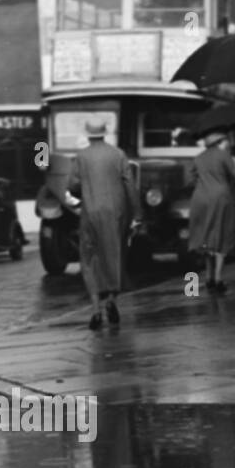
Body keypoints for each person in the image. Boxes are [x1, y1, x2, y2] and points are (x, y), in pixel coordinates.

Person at [68, 119, 142, 330]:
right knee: (114, 255)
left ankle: (95, 310)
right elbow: (130, 185)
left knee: (90, 259)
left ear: (88, 134)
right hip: (117, 213)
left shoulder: (81, 157)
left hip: (90, 212)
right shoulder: (118, 154)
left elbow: (72, 185)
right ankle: (112, 300)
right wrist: (137, 213)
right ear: (105, 133)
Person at [186, 126, 235, 294]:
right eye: (225, 140)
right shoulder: (223, 155)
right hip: (220, 198)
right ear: (219, 142)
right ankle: (218, 278)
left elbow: (191, 179)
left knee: (206, 237)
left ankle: (207, 277)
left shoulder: (199, 158)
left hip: (200, 199)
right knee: (221, 236)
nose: (227, 143)